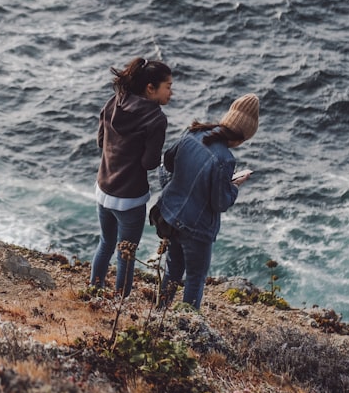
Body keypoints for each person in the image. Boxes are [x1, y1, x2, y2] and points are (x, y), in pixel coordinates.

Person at [155, 93, 259, 309]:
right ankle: (186, 324)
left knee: (173, 270)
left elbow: (168, 160)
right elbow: (220, 203)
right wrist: (234, 186)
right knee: (195, 278)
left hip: (171, 216)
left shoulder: (195, 132)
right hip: (196, 228)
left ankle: (159, 312)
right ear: (242, 137)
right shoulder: (225, 159)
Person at [89, 57, 173, 297]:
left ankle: (93, 292)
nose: (171, 93)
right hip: (129, 199)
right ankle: (119, 304)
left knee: (105, 244)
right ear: (150, 88)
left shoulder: (114, 102)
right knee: (126, 254)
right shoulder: (156, 119)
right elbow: (148, 163)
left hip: (104, 190)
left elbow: (100, 141)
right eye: (168, 87)